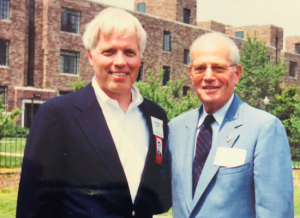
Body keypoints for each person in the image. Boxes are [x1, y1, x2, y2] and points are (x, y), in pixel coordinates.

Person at [17, 7, 171, 218]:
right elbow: (32, 205)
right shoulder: (58, 114)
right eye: (109, 51)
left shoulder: (156, 116)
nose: (120, 61)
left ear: (140, 58)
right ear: (91, 56)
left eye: (129, 52)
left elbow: (157, 191)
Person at [168, 32, 294, 217]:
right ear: (191, 74)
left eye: (219, 68)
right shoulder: (176, 129)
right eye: (200, 68)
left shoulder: (264, 129)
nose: (209, 76)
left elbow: (276, 212)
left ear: (237, 74)